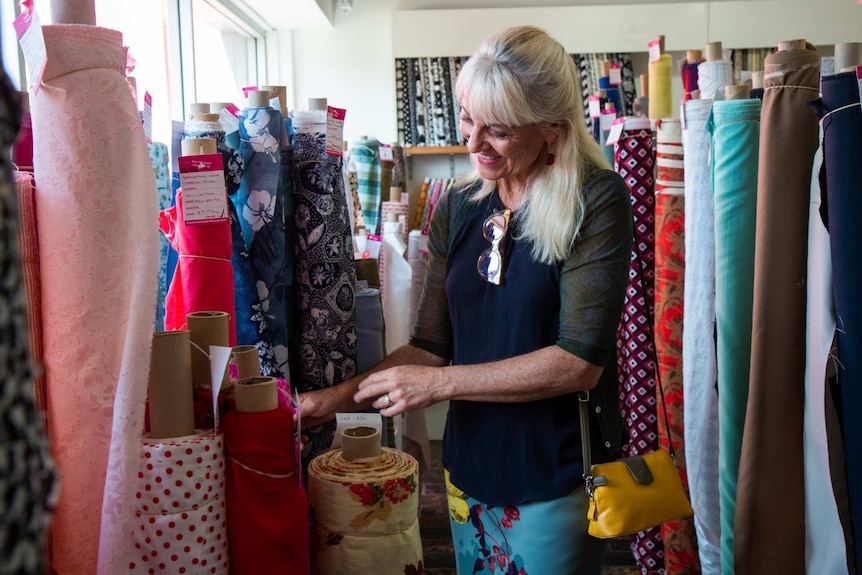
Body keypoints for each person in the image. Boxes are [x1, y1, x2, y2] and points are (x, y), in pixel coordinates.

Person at [300, 25, 633, 574]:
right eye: (467, 118)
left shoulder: (596, 200)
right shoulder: (459, 205)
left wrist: (438, 385)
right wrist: (329, 400)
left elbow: (579, 363)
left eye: (498, 131)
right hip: (467, 468)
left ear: (552, 130)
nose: (473, 144)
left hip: (552, 472)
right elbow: (431, 346)